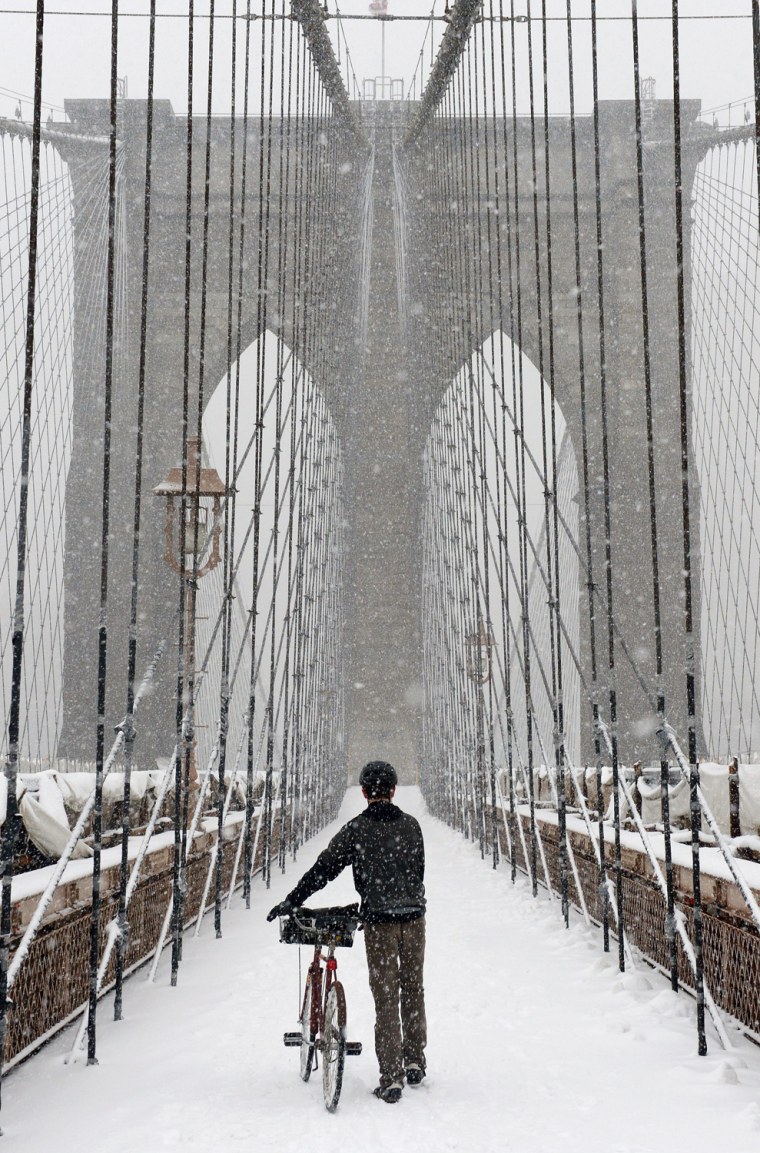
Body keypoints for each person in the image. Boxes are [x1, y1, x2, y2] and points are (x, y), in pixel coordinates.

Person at [267, 760, 427, 1104]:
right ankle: (414, 1058)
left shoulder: (357, 829)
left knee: (386, 996)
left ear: (365, 792)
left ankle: (391, 1077)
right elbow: (418, 871)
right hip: (414, 918)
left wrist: (293, 900)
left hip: (380, 922)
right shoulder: (412, 826)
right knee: (413, 987)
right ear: (393, 791)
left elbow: (324, 869)